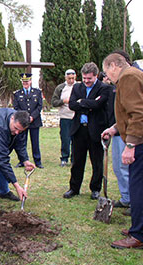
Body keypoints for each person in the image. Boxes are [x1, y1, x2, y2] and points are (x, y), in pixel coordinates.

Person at [102, 52, 143, 249]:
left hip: (140, 143)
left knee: (138, 188)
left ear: (113, 65)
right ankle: (138, 226)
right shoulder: (134, 75)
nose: (107, 79)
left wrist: (130, 145)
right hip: (138, 140)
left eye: (107, 73)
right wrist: (115, 129)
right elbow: (128, 115)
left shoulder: (128, 77)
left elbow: (138, 114)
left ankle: (139, 235)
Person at [63, 62, 110, 200]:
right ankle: (74, 188)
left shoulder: (104, 88)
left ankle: (95, 189)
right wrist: (88, 104)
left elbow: (98, 104)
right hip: (79, 130)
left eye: (89, 78)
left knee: (97, 162)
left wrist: (82, 102)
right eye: (84, 78)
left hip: (96, 130)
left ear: (96, 76)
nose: (86, 81)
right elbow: (72, 104)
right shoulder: (77, 87)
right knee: (77, 161)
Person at [98, 71, 130, 210]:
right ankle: (126, 198)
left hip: (130, 133)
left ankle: (135, 202)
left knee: (127, 168)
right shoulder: (112, 90)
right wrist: (111, 128)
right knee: (118, 167)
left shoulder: (130, 88)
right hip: (117, 131)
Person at [13, 73, 44, 169]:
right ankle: (22, 161)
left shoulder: (37, 92)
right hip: (22, 122)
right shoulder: (17, 94)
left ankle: (37, 161)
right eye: (23, 82)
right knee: (22, 142)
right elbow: (16, 107)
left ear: (30, 81)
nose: (25, 83)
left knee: (35, 142)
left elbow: (39, 106)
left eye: (27, 81)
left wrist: (32, 117)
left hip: (34, 121)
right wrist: (24, 117)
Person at [51, 69, 76, 167]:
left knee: (76, 140)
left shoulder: (79, 86)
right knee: (65, 139)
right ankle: (64, 158)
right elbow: (54, 102)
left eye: (73, 78)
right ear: (65, 78)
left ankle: (75, 159)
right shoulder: (60, 88)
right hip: (65, 117)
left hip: (76, 117)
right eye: (69, 78)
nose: (71, 80)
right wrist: (63, 101)